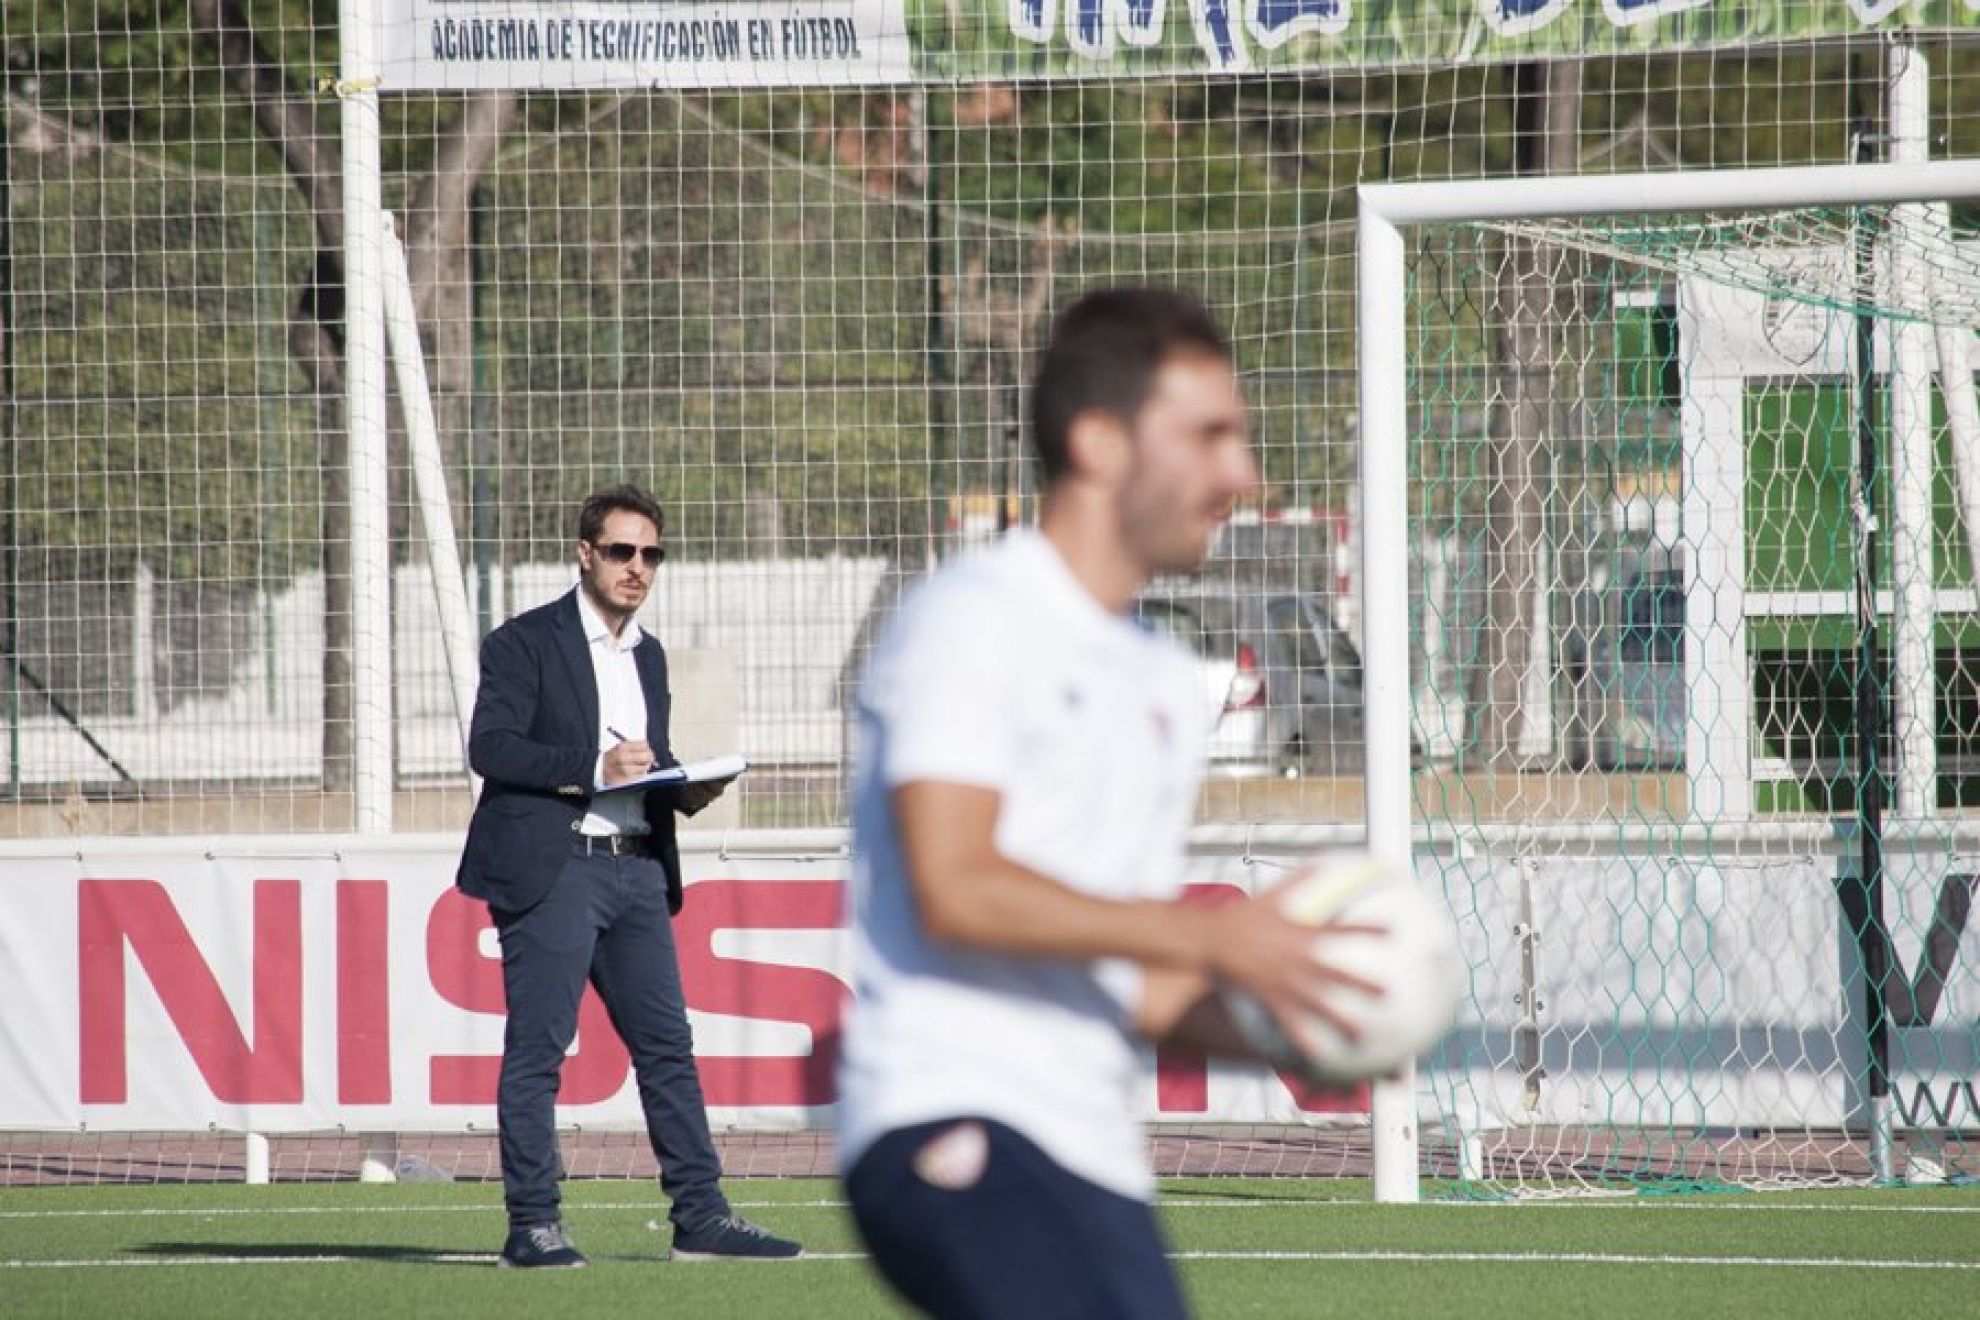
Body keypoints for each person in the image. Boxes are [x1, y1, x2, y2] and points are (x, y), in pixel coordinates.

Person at [838, 288, 1376, 1317]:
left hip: (1094, 1156)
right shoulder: (972, 617)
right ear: (1097, 440)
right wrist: (1220, 938)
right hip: (951, 1117)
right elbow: (958, 886)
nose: (1243, 477)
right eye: (1211, 435)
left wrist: (1303, 1019)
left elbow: (1135, 986)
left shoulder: (1168, 680)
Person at [457, 483, 802, 1269]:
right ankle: (533, 1225)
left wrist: (685, 784)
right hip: (556, 870)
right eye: (621, 551)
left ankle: (701, 1217)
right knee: (539, 1052)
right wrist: (591, 768)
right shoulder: (524, 642)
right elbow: (494, 748)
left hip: (638, 867)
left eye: (651, 554)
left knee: (668, 1049)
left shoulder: (645, 652)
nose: (637, 567)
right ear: (586, 554)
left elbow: (641, 759)